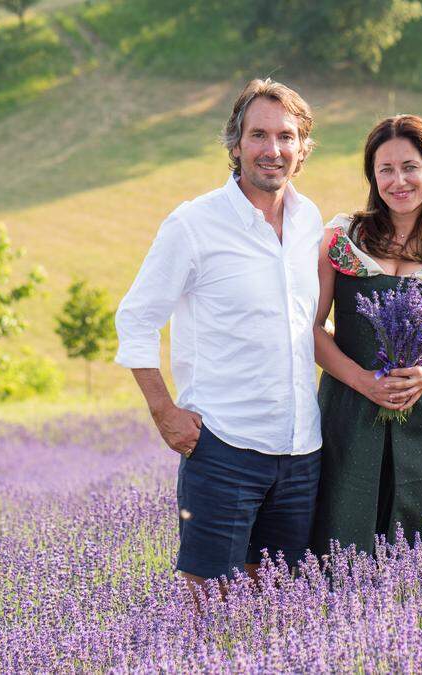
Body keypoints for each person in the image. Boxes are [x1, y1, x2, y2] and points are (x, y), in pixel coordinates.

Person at [114, 79, 323, 586]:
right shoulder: (193, 225)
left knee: (280, 614)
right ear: (235, 144)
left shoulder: (311, 221)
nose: (272, 150)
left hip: (301, 454)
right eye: (258, 135)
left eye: (286, 137)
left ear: (302, 149)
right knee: (209, 613)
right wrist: (164, 411)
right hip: (224, 447)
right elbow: (136, 318)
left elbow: (305, 323)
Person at [310, 114, 422, 557]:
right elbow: (310, 328)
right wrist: (361, 381)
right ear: (372, 175)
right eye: (385, 169)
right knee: (339, 554)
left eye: (409, 167)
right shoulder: (340, 239)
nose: (398, 181)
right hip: (348, 420)